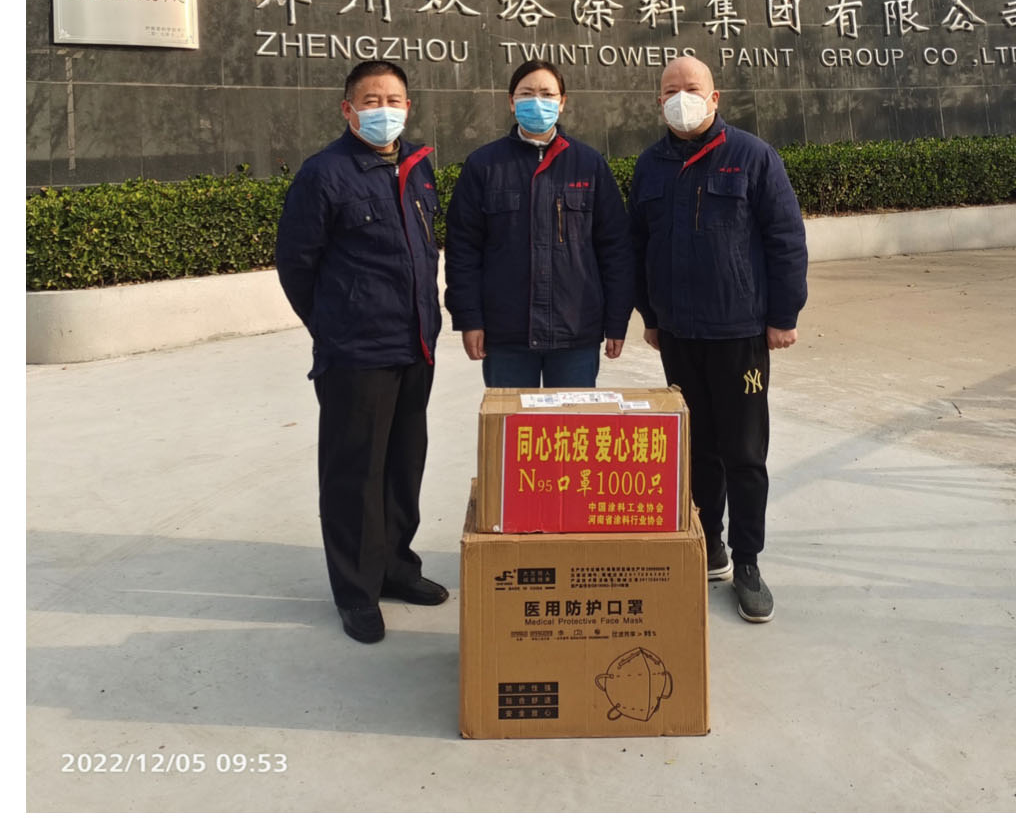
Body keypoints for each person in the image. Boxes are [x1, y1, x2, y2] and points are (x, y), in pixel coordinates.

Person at [628, 57, 807, 623]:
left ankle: (748, 561)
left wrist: (783, 315)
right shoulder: (650, 166)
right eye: (670, 90)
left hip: (739, 333)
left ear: (714, 97)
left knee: (744, 453)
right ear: (658, 102)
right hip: (679, 335)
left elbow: (785, 238)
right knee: (696, 448)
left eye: (692, 88)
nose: (681, 97)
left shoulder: (752, 156)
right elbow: (638, 247)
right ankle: (710, 545)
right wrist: (650, 315)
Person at [275, 61, 446, 645]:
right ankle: (356, 591)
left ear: (408, 107)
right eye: (371, 100)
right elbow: (296, 264)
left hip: (415, 343)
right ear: (347, 109)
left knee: (403, 465)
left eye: (394, 99)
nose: (384, 110)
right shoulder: (324, 174)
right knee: (355, 473)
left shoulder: (418, 166)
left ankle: (397, 567)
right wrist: (333, 325)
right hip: (355, 353)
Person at [444, 61, 634, 388]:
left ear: (562, 102)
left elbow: (615, 248)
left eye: (547, 94)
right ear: (511, 101)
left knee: (572, 421)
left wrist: (617, 320)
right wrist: (469, 318)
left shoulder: (589, 165)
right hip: (507, 335)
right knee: (512, 421)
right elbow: (463, 250)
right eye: (526, 94)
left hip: (576, 333)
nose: (537, 102)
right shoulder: (484, 165)